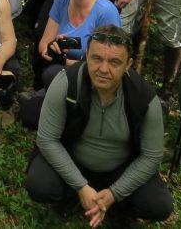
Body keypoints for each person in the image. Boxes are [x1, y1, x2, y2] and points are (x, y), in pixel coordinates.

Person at [24, 25, 172, 224]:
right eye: (97, 59)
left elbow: (151, 156)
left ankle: (115, 205)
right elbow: (47, 139)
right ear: (86, 55)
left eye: (114, 62)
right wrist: (80, 186)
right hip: (73, 159)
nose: (103, 69)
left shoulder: (144, 98)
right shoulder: (66, 82)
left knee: (158, 206)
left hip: (121, 168)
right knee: (39, 184)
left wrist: (115, 193)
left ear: (128, 65)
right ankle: (72, 194)